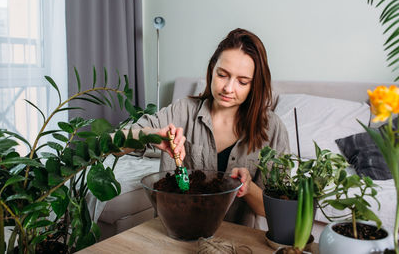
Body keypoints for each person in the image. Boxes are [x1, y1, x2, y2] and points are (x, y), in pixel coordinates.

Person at [123, 28, 289, 228]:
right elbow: (115, 144)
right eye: (222, 75)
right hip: (177, 232)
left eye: (242, 82)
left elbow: (272, 209)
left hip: (236, 242)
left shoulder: (272, 129)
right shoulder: (183, 111)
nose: (228, 88)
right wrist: (151, 134)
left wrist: (249, 188)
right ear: (212, 70)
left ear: (254, 85)